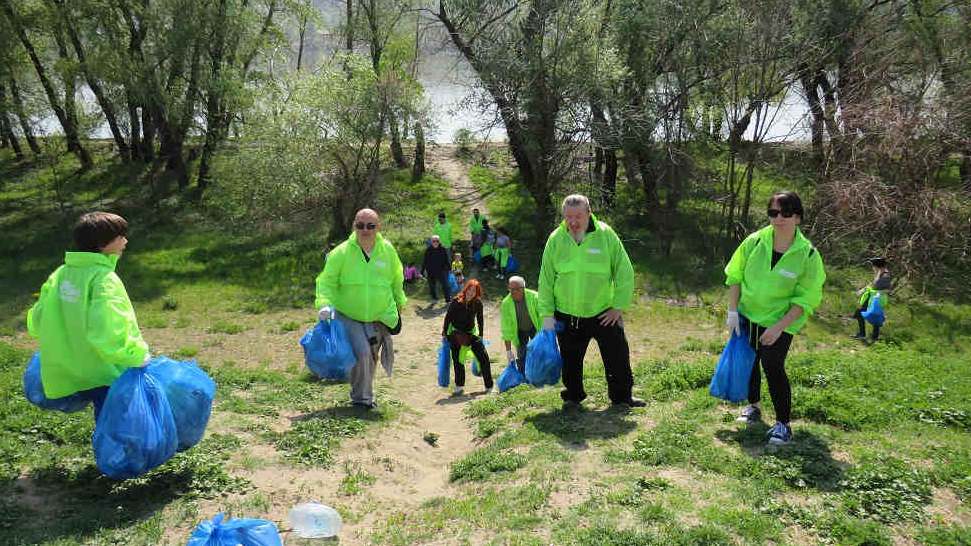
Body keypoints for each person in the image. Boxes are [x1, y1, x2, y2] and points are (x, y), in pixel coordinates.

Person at [725, 191, 826, 446]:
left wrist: (779, 327)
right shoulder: (755, 241)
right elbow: (734, 275)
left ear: (798, 217)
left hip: (782, 321)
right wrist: (733, 311)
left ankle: (783, 424)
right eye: (773, 213)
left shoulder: (808, 254)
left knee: (772, 364)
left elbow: (806, 299)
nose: (778, 218)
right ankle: (754, 407)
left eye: (786, 213)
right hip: (748, 315)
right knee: (750, 361)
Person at [26, 212, 149, 420]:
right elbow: (108, 328)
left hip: (70, 368)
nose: (125, 241)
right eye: (120, 237)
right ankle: (110, 452)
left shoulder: (61, 274)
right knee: (114, 428)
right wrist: (135, 356)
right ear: (103, 244)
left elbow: (37, 320)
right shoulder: (104, 279)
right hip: (105, 370)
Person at [537, 194, 644, 409]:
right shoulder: (556, 239)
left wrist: (618, 307)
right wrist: (547, 315)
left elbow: (624, 271)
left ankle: (622, 397)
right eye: (568, 217)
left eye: (578, 216)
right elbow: (546, 280)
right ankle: (573, 397)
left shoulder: (606, 235)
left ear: (589, 213)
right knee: (570, 360)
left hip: (603, 312)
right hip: (567, 313)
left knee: (617, 356)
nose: (573, 222)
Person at [316, 208, 406, 409]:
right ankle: (362, 399)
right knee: (363, 353)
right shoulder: (340, 253)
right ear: (354, 226)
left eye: (370, 226)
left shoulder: (388, 251)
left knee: (371, 356)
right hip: (349, 314)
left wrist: (400, 303)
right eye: (360, 225)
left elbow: (397, 279)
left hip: (379, 315)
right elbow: (326, 282)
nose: (365, 230)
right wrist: (324, 304)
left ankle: (363, 391)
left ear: (378, 227)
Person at [441, 279, 493, 395]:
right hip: (456, 334)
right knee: (458, 360)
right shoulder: (456, 301)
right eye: (469, 289)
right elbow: (448, 318)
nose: (471, 292)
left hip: (471, 333)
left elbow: (480, 319)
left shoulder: (478, 303)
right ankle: (459, 386)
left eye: (474, 291)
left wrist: (481, 335)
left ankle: (489, 386)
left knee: (484, 357)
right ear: (466, 289)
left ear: (477, 292)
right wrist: (444, 332)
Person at [500, 276, 542, 373]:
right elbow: (506, 328)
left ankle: (540, 373)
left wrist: (545, 336)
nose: (513, 292)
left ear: (523, 288)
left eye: (517, 289)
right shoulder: (506, 303)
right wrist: (508, 351)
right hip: (520, 330)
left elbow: (543, 317)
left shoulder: (535, 297)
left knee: (538, 351)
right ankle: (523, 375)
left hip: (535, 327)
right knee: (522, 354)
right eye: (511, 289)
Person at [853, 257, 892, 342]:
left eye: (873, 266)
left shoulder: (885, 276)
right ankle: (865, 334)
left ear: (878, 266)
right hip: (871, 297)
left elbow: (888, 289)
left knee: (874, 315)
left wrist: (879, 293)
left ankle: (871, 336)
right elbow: (873, 284)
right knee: (860, 313)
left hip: (877, 298)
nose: (872, 268)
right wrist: (862, 290)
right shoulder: (879, 273)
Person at [422, 235, 452, 304]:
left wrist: (449, 268)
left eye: (437, 241)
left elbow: (446, 260)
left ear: (439, 242)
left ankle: (448, 299)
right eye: (434, 241)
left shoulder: (443, 249)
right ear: (431, 242)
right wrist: (422, 271)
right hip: (431, 271)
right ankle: (434, 298)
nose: (435, 242)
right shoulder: (428, 250)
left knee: (445, 285)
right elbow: (425, 261)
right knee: (432, 286)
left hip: (441, 271)